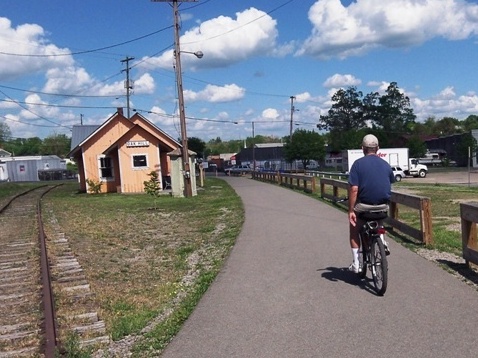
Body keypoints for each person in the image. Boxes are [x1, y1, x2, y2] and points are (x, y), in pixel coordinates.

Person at [348, 134, 394, 273]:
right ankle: (381, 238)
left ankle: (357, 263)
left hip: (364, 207)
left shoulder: (358, 164)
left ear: (363, 148)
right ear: (378, 148)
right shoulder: (386, 165)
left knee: (354, 228)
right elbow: (389, 182)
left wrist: (351, 210)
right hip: (383, 206)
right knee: (378, 220)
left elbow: (354, 189)